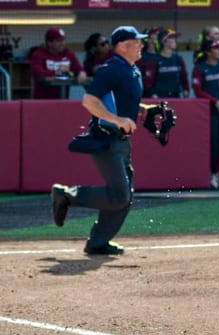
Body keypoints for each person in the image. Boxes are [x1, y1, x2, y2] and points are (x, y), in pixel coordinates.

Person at [51, 26, 150, 255]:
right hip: (106, 139)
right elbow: (89, 101)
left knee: (124, 196)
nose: (142, 45)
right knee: (120, 195)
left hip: (122, 142)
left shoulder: (132, 70)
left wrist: (144, 109)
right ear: (123, 46)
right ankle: (65, 195)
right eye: (137, 42)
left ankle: (98, 242)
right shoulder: (110, 69)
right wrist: (116, 119)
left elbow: (123, 102)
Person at [192, 39, 219, 189]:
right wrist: (214, 101)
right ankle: (211, 173)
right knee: (213, 143)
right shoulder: (200, 68)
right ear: (208, 52)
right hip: (209, 109)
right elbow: (198, 90)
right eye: (216, 48)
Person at [31, 27, 88, 99]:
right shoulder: (39, 54)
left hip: (63, 99)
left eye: (63, 40)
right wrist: (56, 72)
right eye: (58, 41)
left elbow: (78, 68)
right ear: (49, 43)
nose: (62, 43)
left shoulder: (68, 53)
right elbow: (37, 72)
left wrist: (82, 73)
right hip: (43, 100)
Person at [144, 29, 190, 98]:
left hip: (176, 96)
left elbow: (184, 78)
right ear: (164, 41)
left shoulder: (179, 59)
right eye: (171, 38)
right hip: (159, 98)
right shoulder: (154, 60)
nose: (175, 40)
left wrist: (186, 90)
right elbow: (148, 82)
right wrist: (153, 95)